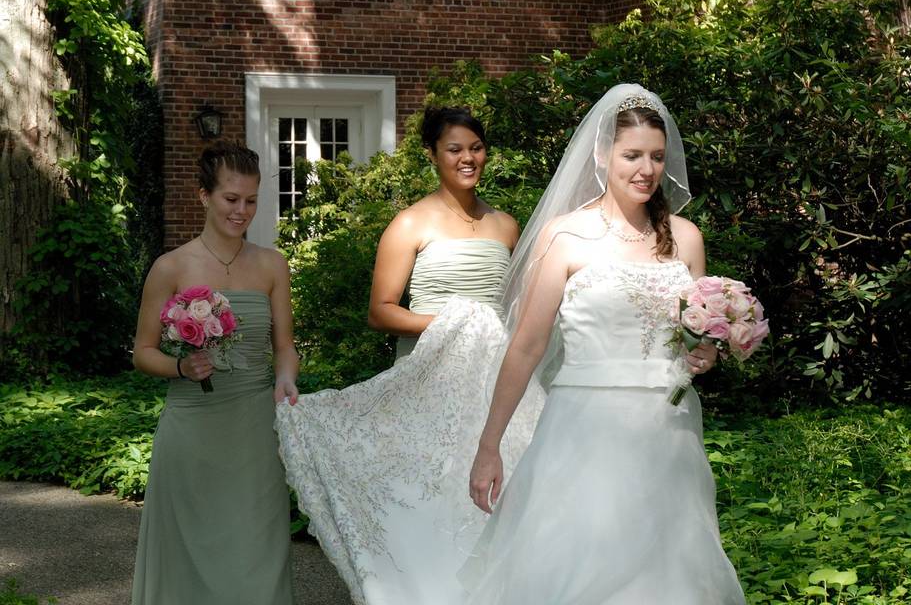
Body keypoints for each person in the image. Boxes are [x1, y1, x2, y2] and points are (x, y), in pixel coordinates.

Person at [462, 84, 747, 604]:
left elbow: (696, 335)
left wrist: (707, 353)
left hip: (669, 428)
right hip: (583, 430)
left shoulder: (686, 238)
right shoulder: (565, 236)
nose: (646, 169)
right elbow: (526, 347)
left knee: (669, 571)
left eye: (657, 157)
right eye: (632, 155)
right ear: (601, 155)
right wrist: (489, 447)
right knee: (581, 566)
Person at [275, 107, 544, 605]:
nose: (468, 158)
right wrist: (454, 322)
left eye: (476, 147)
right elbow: (380, 311)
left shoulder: (506, 225)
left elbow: (516, 309)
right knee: (432, 490)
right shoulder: (410, 223)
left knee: (503, 485)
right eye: (454, 149)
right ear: (433, 155)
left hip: (493, 375)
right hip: (431, 374)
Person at [131, 141, 299, 604]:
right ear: (203, 195)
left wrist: (286, 379)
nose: (241, 211)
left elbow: (284, 347)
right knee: (190, 554)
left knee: (256, 553)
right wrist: (181, 366)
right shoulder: (171, 267)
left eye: (250, 200)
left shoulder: (272, 265)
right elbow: (143, 352)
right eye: (231, 199)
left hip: (254, 431)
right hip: (192, 427)